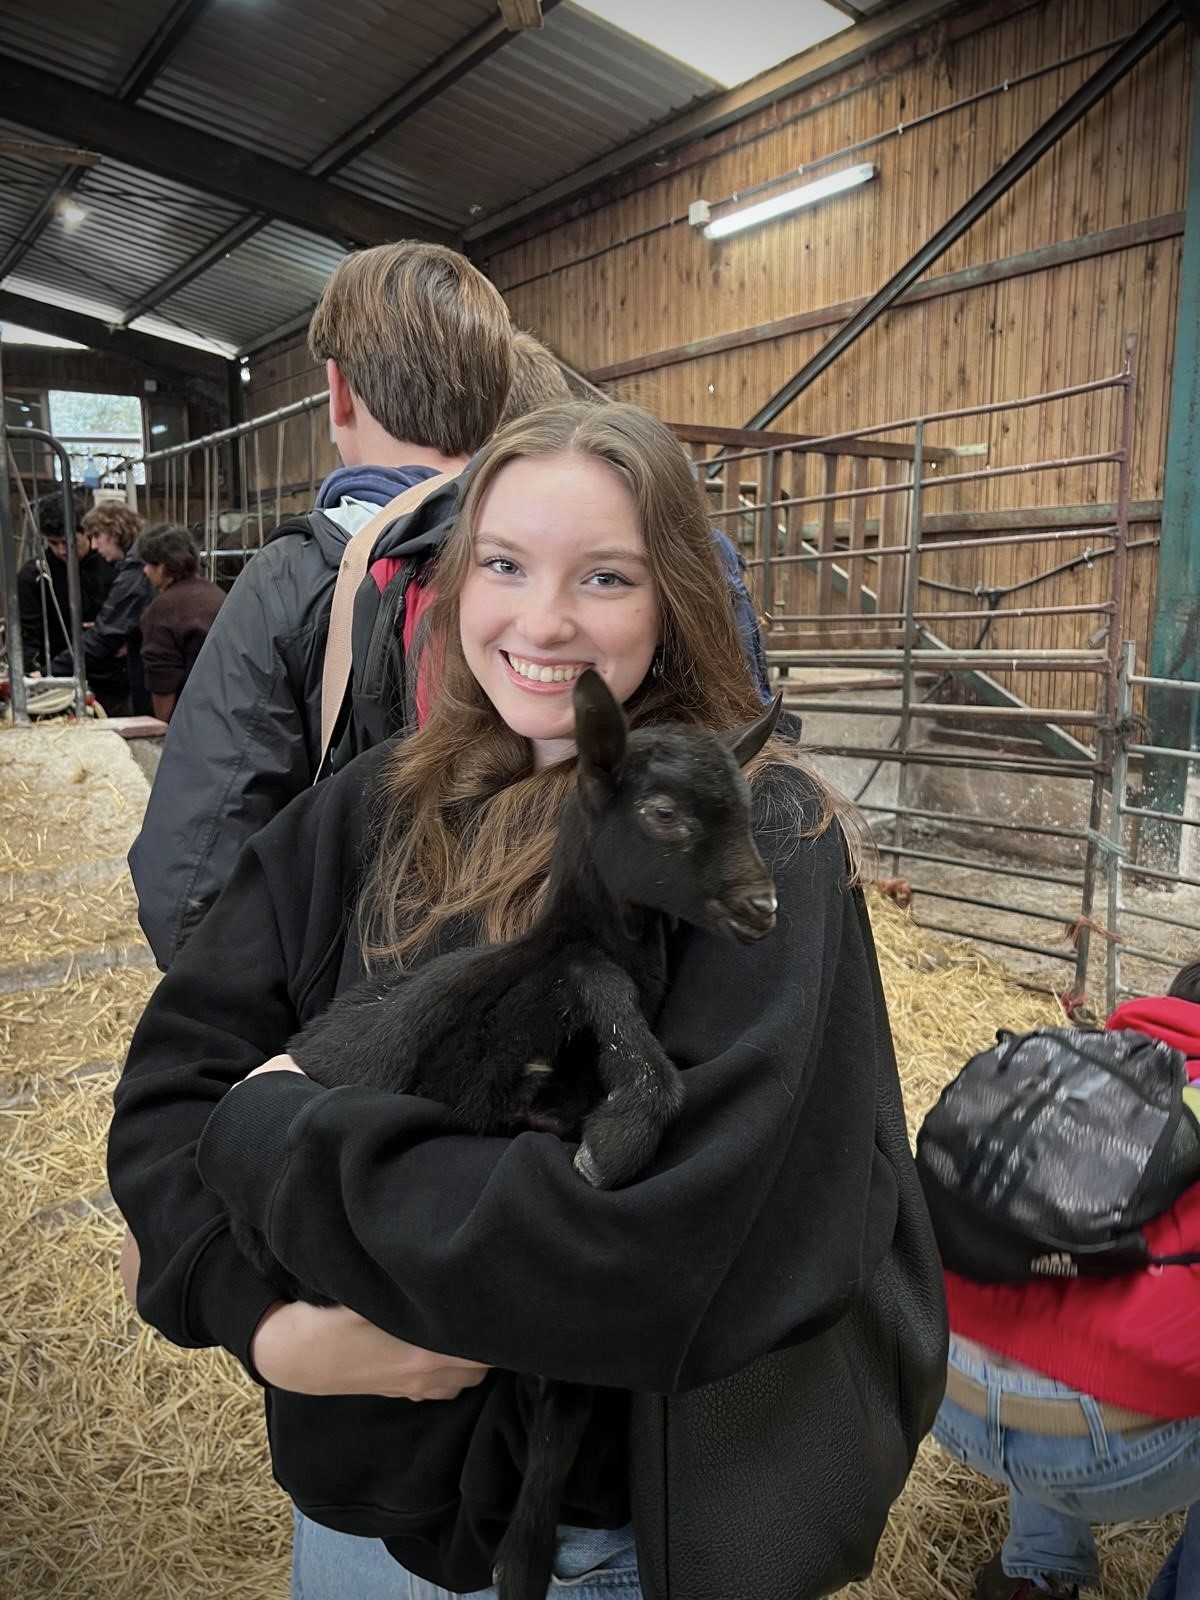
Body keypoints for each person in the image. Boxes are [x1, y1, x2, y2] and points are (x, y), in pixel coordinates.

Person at [108, 400, 937, 1600]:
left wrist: (275, 1137)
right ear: (455, 582)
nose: (543, 621)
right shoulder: (373, 808)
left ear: (674, 601)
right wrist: (271, 1326)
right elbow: (168, 1087)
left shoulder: (752, 834)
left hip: (597, 1547)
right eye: (504, 563)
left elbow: (654, 1243)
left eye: (605, 576)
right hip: (355, 1520)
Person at [128, 241, 516, 969]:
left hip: (380, 1008)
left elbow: (186, 891)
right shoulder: (585, 559)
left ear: (338, 390)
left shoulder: (299, 572)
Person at [932, 956, 1200, 1600]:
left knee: (1058, 1300)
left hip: (943, 1396)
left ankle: (1039, 1571)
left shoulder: (1078, 1063)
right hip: (1102, 1453)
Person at [51, 500, 154, 716]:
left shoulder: (135, 573)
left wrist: (50, 673)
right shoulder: (134, 566)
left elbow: (104, 637)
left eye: (97, 536)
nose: (95, 546)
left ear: (115, 531)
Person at [136, 524, 225, 723]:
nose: (145, 570)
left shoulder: (162, 610)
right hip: (229, 711)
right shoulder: (218, 594)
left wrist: (166, 728)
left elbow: (162, 679)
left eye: (148, 564)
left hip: (192, 720)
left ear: (163, 566)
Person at [17, 489, 112, 675]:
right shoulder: (34, 577)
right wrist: (33, 669)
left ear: (86, 532)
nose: (61, 550)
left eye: (68, 542)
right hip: (56, 679)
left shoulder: (111, 564)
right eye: (53, 543)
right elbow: (27, 636)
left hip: (112, 676)